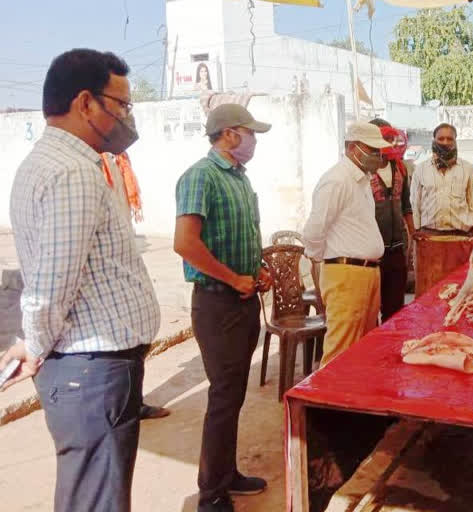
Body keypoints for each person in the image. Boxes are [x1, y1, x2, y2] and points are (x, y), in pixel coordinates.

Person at [1, 48, 161, 512]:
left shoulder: (57, 163)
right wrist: (33, 345)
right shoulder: (72, 173)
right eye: (123, 105)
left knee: (91, 493)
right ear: (86, 103)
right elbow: (50, 286)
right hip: (92, 370)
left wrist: (33, 342)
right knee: (97, 499)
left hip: (90, 368)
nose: (127, 118)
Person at [174, 104, 273, 512]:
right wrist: (233, 279)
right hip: (218, 303)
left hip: (243, 300)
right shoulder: (201, 176)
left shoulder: (239, 179)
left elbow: (246, 233)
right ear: (230, 134)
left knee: (232, 396)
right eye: (251, 133)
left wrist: (259, 267)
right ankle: (210, 493)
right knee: (223, 397)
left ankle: (226, 473)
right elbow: (185, 243)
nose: (254, 141)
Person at [302, 121, 390, 366]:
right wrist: (327, 262)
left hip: (366, 272)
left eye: (378, 150)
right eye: (372, 150)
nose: (377, 156)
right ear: (353, 148)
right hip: (346, 273)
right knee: (340, 350)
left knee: (363, 349)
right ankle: (325, 404)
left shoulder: (361, 181)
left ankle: (351, 401)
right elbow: (314, 232)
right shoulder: (337, 180)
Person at [100, 152, 171, 421]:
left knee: (135, 340)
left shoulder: (118, 161)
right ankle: (121, 407)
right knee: (116, 347)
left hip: (125, 258)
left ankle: (133, 403)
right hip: (105, 270)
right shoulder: (92, 164)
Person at [368, 118, 415, 321]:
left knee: (395, 311)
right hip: (371, 253)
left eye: (388, 137)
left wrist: (413, 239)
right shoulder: (363, 170)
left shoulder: (401, 168)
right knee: (369, 312)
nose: (387, 141)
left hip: (397, 249)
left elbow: (406, 206)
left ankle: (391, 351)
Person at [410, 123, 473, 237]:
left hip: (461, 235)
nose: (445, 142)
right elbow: (415, 203)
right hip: (429, 235)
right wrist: (417, 230)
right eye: (441, 138)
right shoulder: (421, 169)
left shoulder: (467, 169)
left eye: (450, 139)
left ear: (455, 141)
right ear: (434, 140)